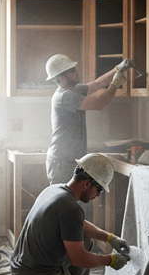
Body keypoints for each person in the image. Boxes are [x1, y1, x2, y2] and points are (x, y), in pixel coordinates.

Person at [0, 153, 130, 275]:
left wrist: (109, 237)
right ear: (87, 183)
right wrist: (110, 260)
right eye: (99, 190)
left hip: (24, 266)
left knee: (86, 240)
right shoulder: (70, 208)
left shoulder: (55, 190)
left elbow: (78, 225)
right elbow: (78, 258)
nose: (98, 195)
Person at [45, 55, 134, 186]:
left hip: (69, 160)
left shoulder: (74, 90)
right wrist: (115, 84)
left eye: (74, 68)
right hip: (62, 162)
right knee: (66, 203)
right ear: (62, 78)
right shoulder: (64, 96)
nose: (76, 72)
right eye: (71, 71)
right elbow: (99, 103)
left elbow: (98, 83)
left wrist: (117, 69)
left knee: (74, 202)